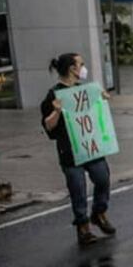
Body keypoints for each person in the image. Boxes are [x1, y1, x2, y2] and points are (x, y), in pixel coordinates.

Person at [40, 53, 116, 246]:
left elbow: (96, 110)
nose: (83, 68)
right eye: (81, 64)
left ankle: (99, 212)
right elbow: (48, 126)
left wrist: (102, 99)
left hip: (91, 147)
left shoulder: (85, 89)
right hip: (70, 151)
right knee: (78, 189)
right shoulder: (54, 95)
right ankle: (83, 227)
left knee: (102, 178)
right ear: (72, 69)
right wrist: (57, 111)